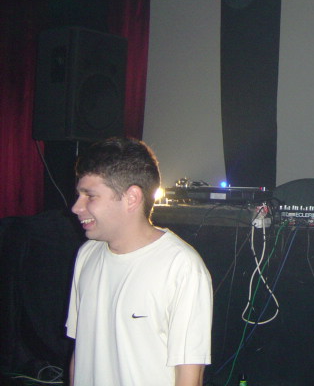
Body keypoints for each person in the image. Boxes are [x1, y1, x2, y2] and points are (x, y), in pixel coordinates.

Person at [65, 137, 213, 386]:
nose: (76, 207)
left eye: (90, 196)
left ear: (132, 198)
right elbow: (81, 352)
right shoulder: (87, 255)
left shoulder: (181, 267)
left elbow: (189, 376)